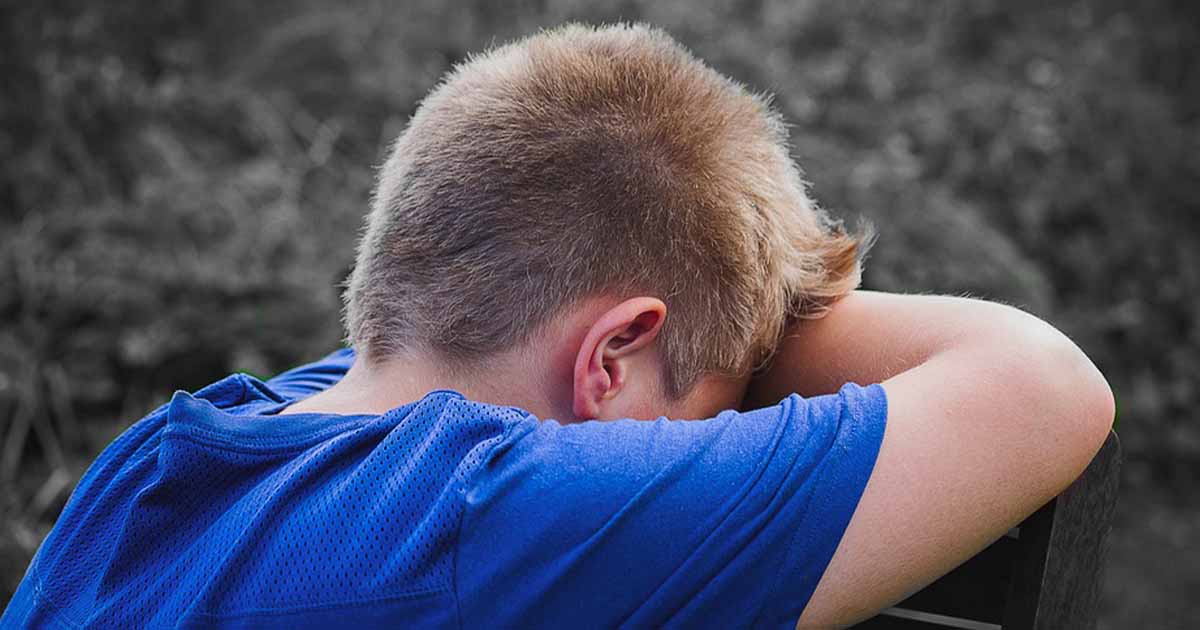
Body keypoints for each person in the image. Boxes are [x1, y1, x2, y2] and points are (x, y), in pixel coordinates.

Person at [1, 23, 1114, 629]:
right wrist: (759, 325)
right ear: (612, 356)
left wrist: (722, 325)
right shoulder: (493, 515)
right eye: (708, 419)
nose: (693, 450)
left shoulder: (157, 461)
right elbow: (1044, 385)